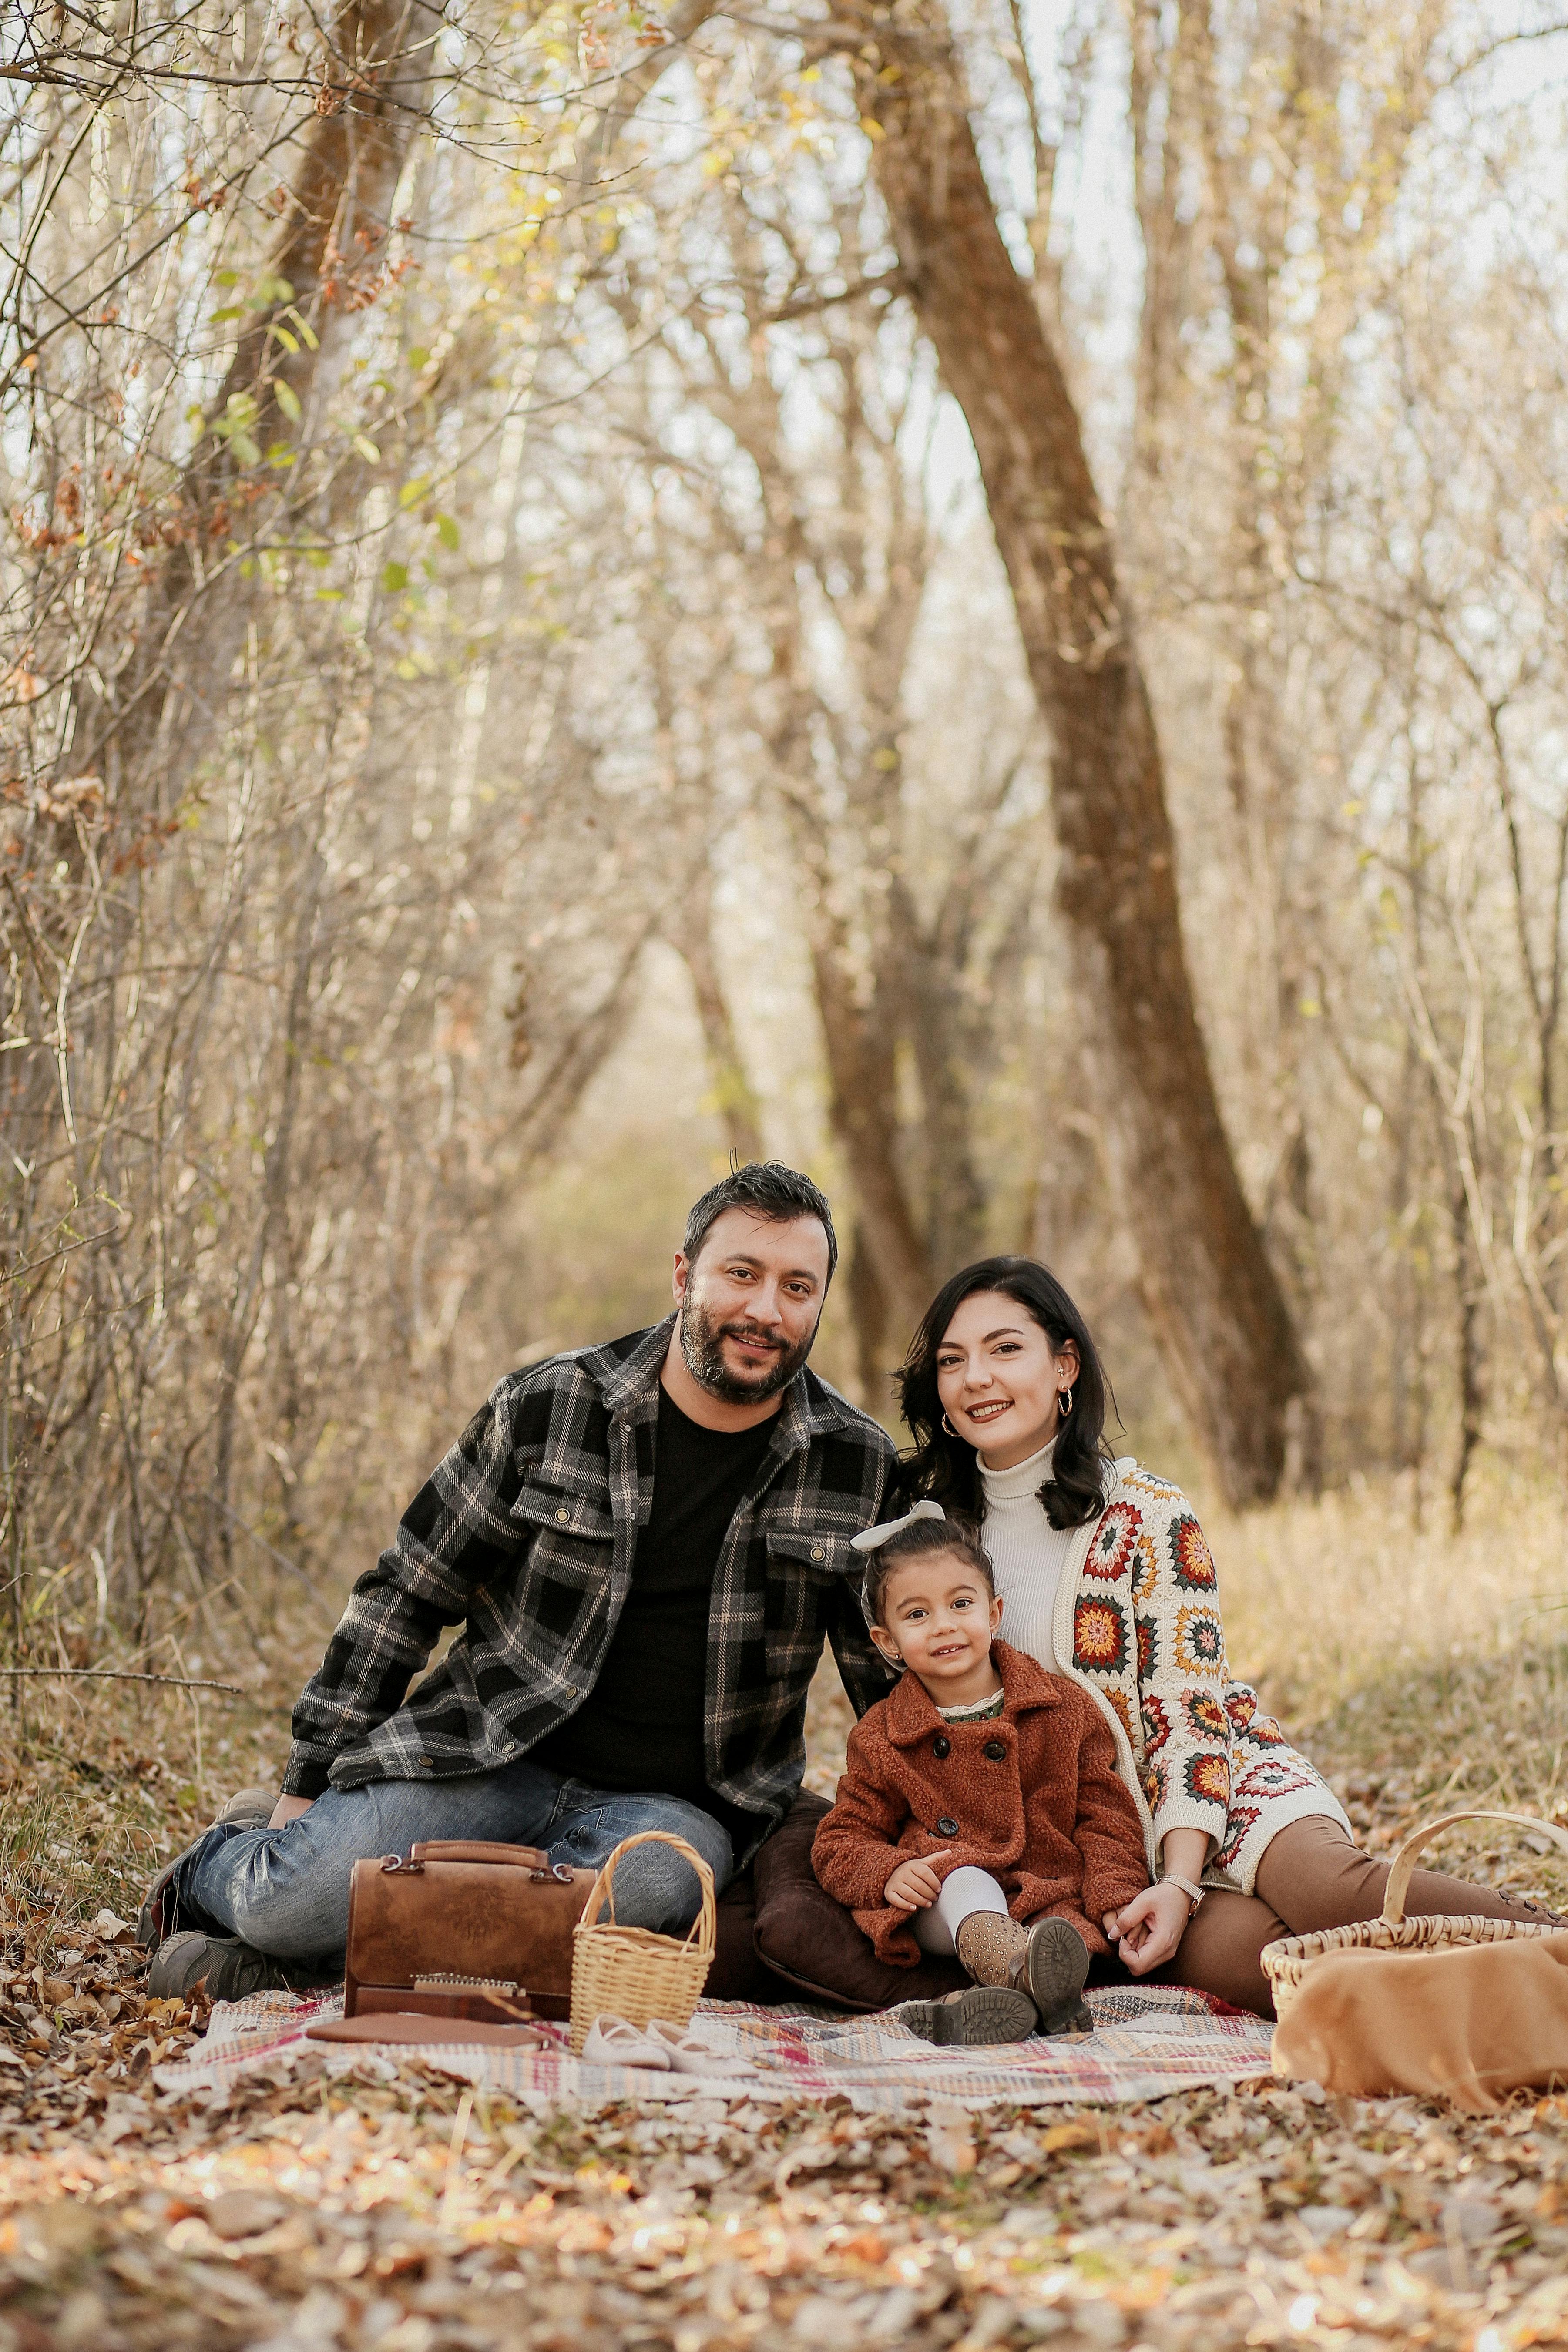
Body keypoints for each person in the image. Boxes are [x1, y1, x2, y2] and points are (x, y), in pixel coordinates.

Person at [140, 1162, 898, 2001]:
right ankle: (235, 1864)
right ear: (685, 1277)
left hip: (674, 1809)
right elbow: (407, 1592)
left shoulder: (853, 1462)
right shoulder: (551, 1405)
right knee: (289, 1901)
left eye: (798, 1287)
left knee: (639, 1902)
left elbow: (890, 1675)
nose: (766, 1311)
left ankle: (313, 1962)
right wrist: (303, 1786)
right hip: (483, 1756)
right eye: (742, 1275)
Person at [892, 1256, 1560, 2016]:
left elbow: (1190, 1712)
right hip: (1104, 1850)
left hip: (1221, 1777)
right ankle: (1505, 2017)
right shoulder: (932, 1544)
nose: (976, 1376)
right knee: (1274, 1968)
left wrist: (1181, 1877)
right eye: (953, 1361)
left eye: (1005, 1349)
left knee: (1331, 1893)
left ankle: (1553, 1947)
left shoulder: (1145, 1514)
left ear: (1063, 1364)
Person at [811, 1506, 1150, 2044]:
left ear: (993, 1613)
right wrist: (890, 1871)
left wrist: (1115, 1895)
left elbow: (1106, 1814)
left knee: (1056, 1938)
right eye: (917, 1615)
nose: (944, 1624)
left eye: (960, 1603)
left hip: (1048, 1897)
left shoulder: (1061, 1709)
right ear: (887, 1641)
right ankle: (1022, 1973)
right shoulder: (883, 1735)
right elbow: (840, 1839)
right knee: (965, 1882)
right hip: (944, 1898)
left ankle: (984, 2007)